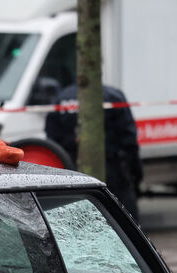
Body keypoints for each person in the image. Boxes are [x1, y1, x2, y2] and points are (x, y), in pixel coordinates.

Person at [45, 84, 143, 220]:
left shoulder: (61, 98)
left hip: (72, 172)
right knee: (124, 220)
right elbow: (129, 142)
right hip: (112, 171)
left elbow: (53, 142)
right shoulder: (113, 97)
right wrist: (136, 175)